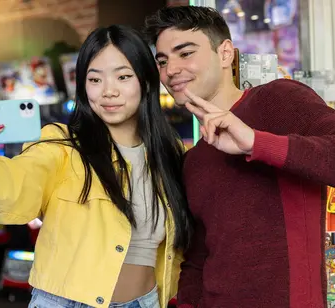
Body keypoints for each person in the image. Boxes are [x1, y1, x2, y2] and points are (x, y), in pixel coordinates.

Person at [0, 25, 194, 308]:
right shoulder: (62, 145)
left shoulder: (170, 152)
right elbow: (16, 184)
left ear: (146, 81)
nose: (108, 92)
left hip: (147, 302)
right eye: (95, 80)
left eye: (123, 77)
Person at [144, 6, 335, 308]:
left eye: (185, 53)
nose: (170, 70)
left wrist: (255, 143)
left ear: (225, 54)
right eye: (163, 60)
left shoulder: (278, 99)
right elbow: (199, 257)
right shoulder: (193, 160)